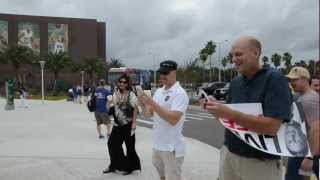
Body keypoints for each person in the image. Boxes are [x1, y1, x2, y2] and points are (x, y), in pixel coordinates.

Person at [200, 36, 292, 180]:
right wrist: (215, 110)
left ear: (256, 53)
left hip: (259, 163)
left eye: (238, 54)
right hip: (229, 154)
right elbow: (230, 123)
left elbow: (272, 127)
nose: (234, 59)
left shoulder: (275, 79)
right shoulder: (236, 82)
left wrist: (229, 113)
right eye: (232, 56)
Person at [138, 60, 189, 180]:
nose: (162, 76)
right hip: (157, 145)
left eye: (166, 73)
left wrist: (151, 103)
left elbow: (173, 119)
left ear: (174, 73)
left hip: (172, 148)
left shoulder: (180, 93)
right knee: (162, 177)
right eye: (161, 73)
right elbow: (148, 114)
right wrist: (143, 104)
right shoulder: (159, 92)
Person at [285, 67, 319, 180]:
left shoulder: (309, 99)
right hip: (302, 151)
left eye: (295, 79)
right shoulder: (302, 97)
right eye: (290, 80)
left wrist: (310, 158)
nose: (291, 83)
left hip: (307, 153)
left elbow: (316, 129)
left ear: (305, 79)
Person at [103, 74, 141, 175]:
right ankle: (113, 165)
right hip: (117, 125)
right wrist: (108, 102)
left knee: (130, 147)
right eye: (120, 82)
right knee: (111, 144)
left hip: (128, 125)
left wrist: (134, 123)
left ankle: (129, 168)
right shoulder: (115, 93)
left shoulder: (131, 94)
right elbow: (111, 109)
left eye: (124, 82)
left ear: (127, 83)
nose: (122, 84)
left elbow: (136, 108)